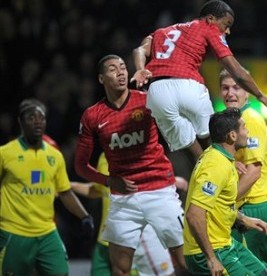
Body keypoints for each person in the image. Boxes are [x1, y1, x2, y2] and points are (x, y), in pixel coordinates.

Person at [74, 54, 186, 275]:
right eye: (113, 69)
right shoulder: (92, 115)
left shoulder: (147, 100)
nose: (121, 72)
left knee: (184, 263)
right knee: (121, 269)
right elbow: (81, 166)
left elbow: (177, 115)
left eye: (124, 67)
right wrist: (108, 180)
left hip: (159, 191)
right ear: (101, 78)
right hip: (123, 199)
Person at [131, 0, 267, 160]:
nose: (227, 31)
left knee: (185, 138)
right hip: (187, 85)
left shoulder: (161, 32)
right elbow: (236, 71)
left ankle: (203, 164)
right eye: (226, 25)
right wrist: (260, 95)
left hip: (156, 92)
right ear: (211, 19)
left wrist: (140, 69)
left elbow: (139, 50)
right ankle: (227, 168)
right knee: (216, 137)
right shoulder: (208, 28)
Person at [0, 98, 94, 275]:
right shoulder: (6, 154)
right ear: (20, 122)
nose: (37, 121)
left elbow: (65, 192)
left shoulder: (55, 155)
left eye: (41, 118)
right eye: (31, 117)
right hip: (14, 232)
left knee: (60, 272)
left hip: (47, 232)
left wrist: (84, 216)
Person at [183, 108, 267, 276]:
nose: (247, 132)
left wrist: (242, 218)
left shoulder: (222, 158)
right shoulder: (215, 165)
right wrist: (211, 258)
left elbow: (219, 203)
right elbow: (194, 215)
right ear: (232, 136)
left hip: (225, 243)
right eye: (244, 127)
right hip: (208, 252)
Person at [72, 153, 188, 276]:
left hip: (137, 236)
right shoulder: (103, 158)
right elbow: (98, 189)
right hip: (108, 238)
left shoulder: (134, 153)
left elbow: (150, 177)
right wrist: (69, 186)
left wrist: (172, 180)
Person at [219, 68, 267, 265]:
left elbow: (253, 172)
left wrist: (222, 203)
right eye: (225, 88)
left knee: (245, 270)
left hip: (254, 206)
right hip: (243, 206)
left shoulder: (249, 120)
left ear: (247, 91)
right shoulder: (229, 120)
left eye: (237, 87)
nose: (230, 93)